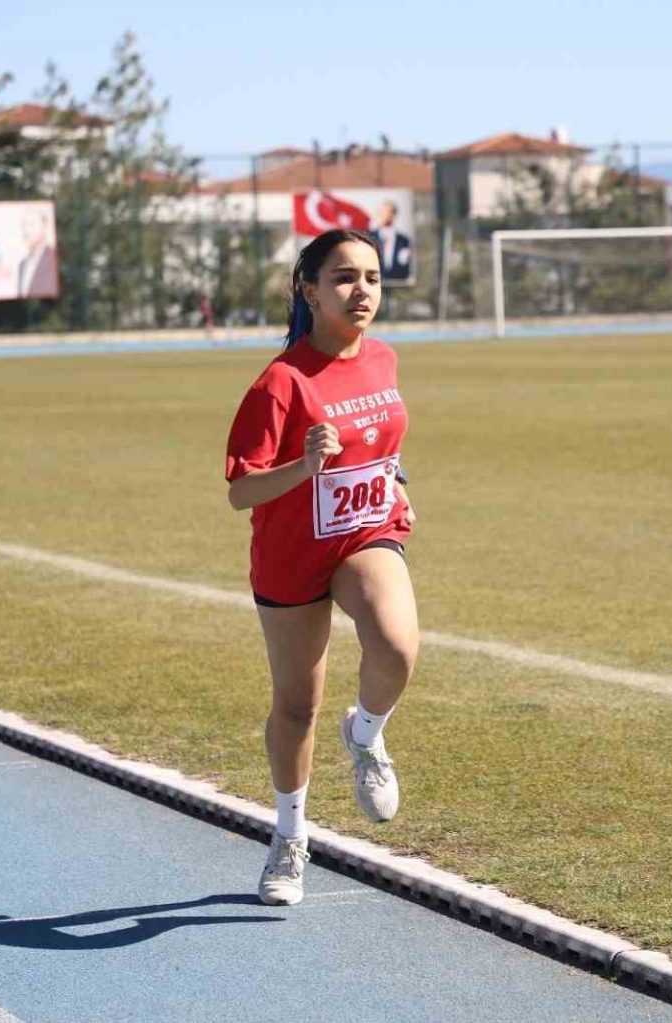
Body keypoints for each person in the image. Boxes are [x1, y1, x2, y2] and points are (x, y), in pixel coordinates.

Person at [224, 228, 419, 906]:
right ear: (309, 290)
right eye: (343, 277)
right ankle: (290, 837)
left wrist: (396, 483)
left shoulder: (385, 358)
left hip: (364, 534)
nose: (361, 290)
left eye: (371, 277)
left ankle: (365, 735)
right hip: (292, 556)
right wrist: (304, 466)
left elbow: (382, 444)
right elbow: (240, 490)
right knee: (297, 707)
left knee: (396, 644)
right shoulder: (281, 382)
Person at [16, 207, 59, 299]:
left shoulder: (54, 258)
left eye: (31, 225)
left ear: (44, 228)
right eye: (24, 225)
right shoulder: (23, 265)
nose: (26, 230)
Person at [368, 200, 413, 283]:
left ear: (394, 215)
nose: (384, 216)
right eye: (382, 213)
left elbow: (406, 264)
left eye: (388, 212)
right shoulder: (369, 237)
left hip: (397, 281)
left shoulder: (403, 240)